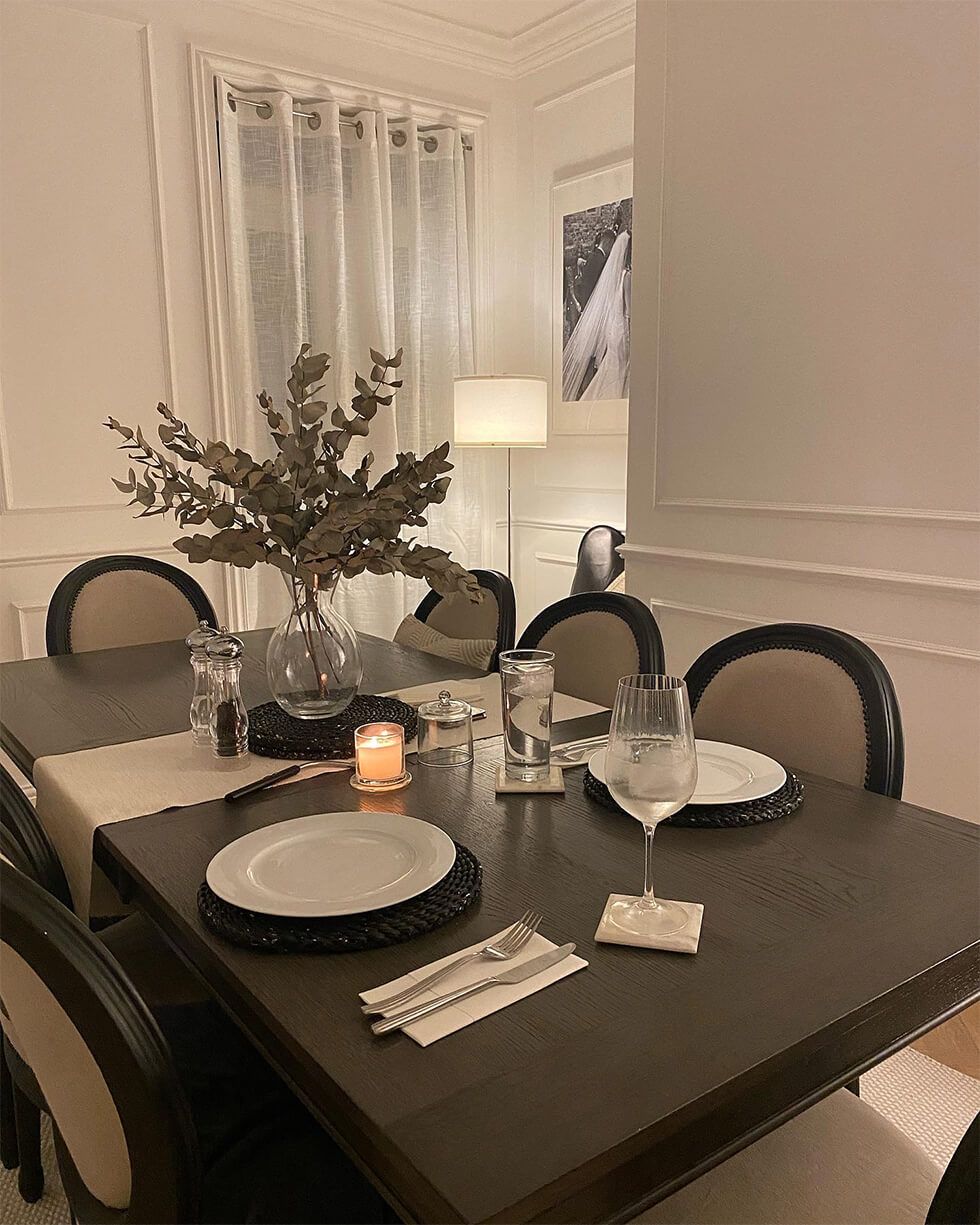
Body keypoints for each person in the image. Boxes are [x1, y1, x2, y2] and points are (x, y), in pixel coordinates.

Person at [562, 228, 631, 402]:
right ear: (608, 243)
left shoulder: (597, 260)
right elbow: (589, 288)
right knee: (588, 357)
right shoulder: (597, 260)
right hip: (597, 315)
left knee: (596, 359)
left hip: (604, 316)